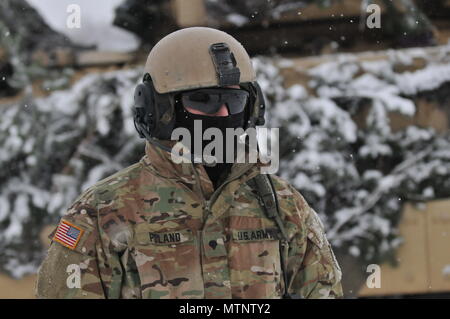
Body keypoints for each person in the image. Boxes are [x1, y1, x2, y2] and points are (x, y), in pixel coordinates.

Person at [35, 27, 343, 299]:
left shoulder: (282, 204)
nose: (223, 115)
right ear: (160, 110)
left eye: (234, 102)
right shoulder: (102, 211)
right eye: (205, 101)